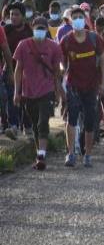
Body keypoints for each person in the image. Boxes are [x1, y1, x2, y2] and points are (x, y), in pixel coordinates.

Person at [13, 17, 64, 170]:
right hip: (28, 92)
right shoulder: (23, 45)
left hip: (46, 90)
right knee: (35, 124)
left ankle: (41, 155)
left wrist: (57, 91)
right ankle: (39, 151)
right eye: (38, 27)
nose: (40, 30)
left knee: (43, 123)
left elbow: (56, 72)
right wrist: (17, 91)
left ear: (47, 29)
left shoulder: (54, 47)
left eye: (43, 27)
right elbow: (18, 70)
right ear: (32, 27)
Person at [60, 8, 104, 167]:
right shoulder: (66, 40)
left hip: (91, 85)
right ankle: (70, 153)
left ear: (85, 20)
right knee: (71, 119)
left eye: (81, 17)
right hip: (73, 85)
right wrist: (62, 74)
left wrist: (103, 83)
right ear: (71, 21)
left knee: (89, 121)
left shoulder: (94, 38)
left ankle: (87, 154)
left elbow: (102, 61)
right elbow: (60, 61)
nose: (78, 19)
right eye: (75, 17)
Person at [3, 2, 33, 138]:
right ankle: (13, 126)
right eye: (11, 15)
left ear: (23, 16)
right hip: (10, 69)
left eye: (16, 14)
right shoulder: (6, 30)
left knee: (25, 100)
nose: (13, 17)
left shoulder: (29, 31)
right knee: (11, 98)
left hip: (27, 72)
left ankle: (27, 126)